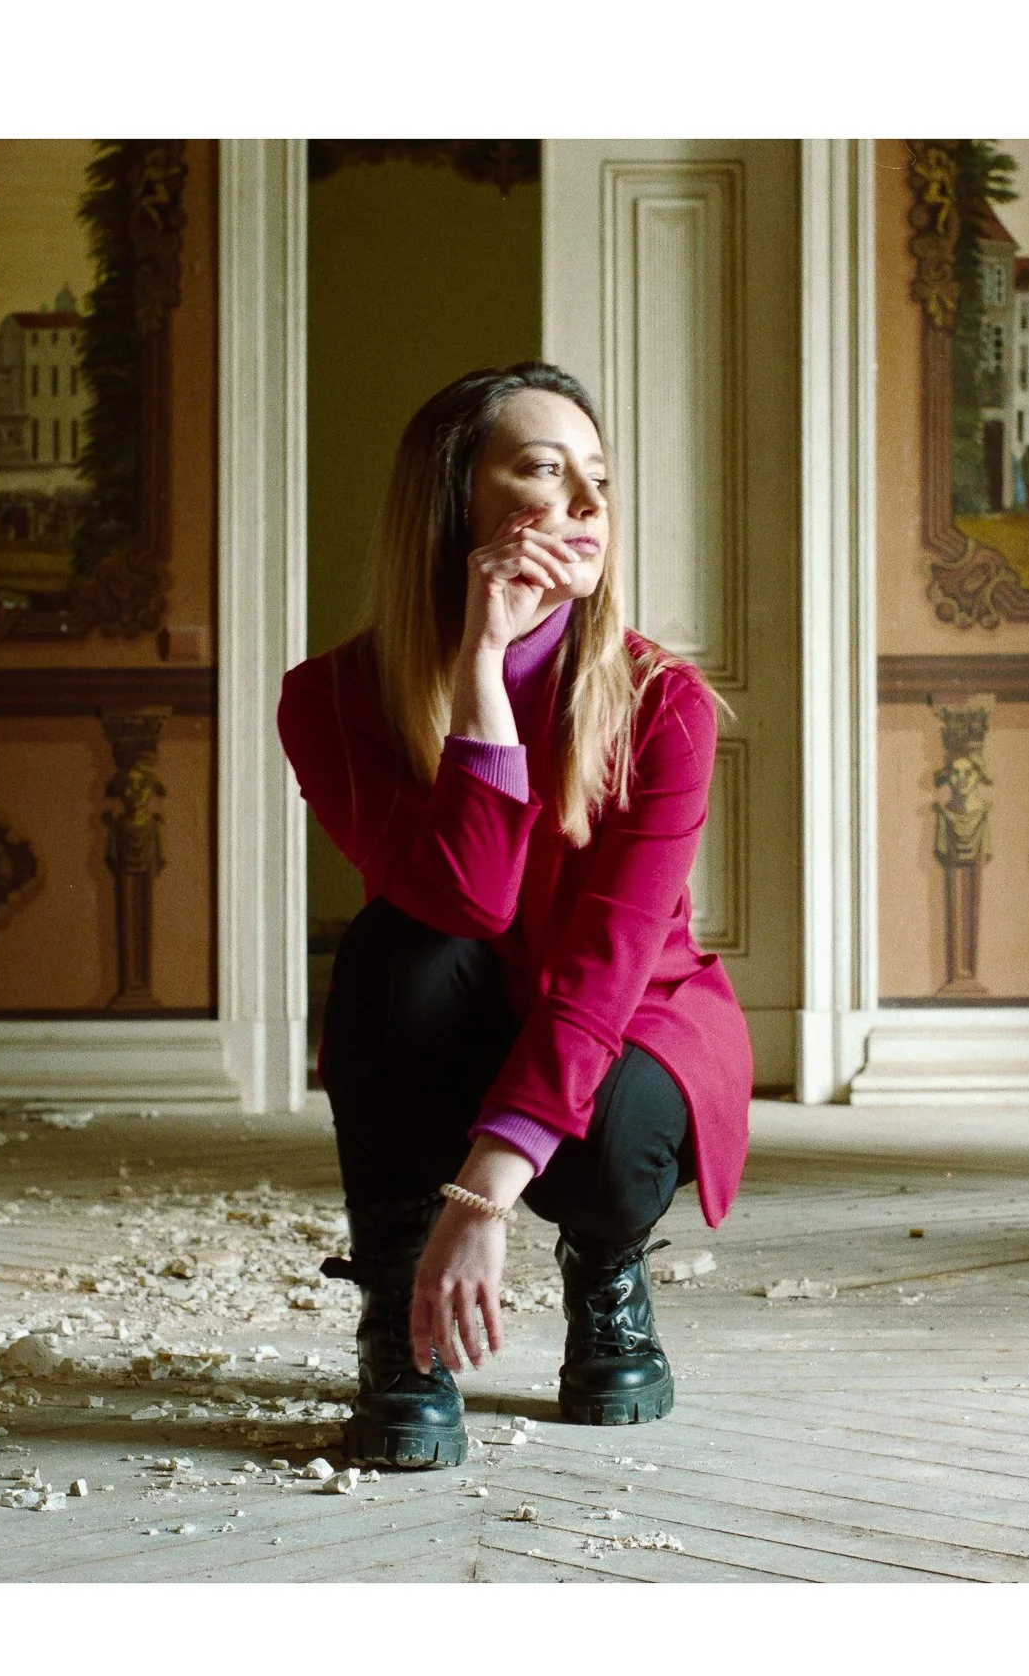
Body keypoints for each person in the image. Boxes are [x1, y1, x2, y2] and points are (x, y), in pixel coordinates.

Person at [278, 362, 753, 1470]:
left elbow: (605, 964)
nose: (588, 507)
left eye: (599, 479)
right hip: (463, 1000)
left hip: (632, 1015)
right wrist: (481, 669)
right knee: (395, 948)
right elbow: (465, 899)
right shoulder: (331, 700)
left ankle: (609, 1274)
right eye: (544, 474)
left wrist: (482, 1199)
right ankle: (404, 1317)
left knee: (618, 1130)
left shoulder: (663, 703)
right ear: (455, 504)